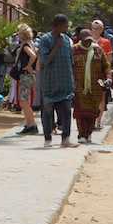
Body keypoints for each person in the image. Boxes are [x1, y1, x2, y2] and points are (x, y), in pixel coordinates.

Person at [38, 15, 76, 148]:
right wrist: (57, 45)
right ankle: (47, 139)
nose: (67, 27)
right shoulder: (45, 40)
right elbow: (45, 60)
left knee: (66, 111)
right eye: (66, 24)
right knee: (48, 112)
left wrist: (73, 80)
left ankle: (66, 138)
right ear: (60, 25)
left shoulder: (67, 40)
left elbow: (71, 62)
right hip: (50, 82)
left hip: (65, 82)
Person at [70, 29, 111, 144]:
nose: (88, 43)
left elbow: (106, 67)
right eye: (85, 41)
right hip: (79, 86)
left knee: (93, 111)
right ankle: (82, 134)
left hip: (95, 87)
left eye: (89, 40)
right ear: (80, 39)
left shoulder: (98, 50)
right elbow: (69, 67)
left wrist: (108, 78)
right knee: (81, 111)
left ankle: (88, 132)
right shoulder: (73, 50)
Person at [11, 23, 40, 134]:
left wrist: (28, 65)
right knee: (24, 101)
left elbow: (33, 55)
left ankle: (32, 124)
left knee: (24, 101)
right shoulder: (32, 43)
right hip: (29, 75)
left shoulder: (26, 45)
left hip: (25, 75)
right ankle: (28, 124)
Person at [90, 19, 113, 123]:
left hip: (101, 74)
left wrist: (105, 70)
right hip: (89, 74)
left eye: (97, 29)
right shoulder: (88, 41)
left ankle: (98, 120)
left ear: (101, 30)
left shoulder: (106, 42)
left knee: (101, 97)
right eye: (93, 28)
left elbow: (110, 57)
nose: (95, 31)